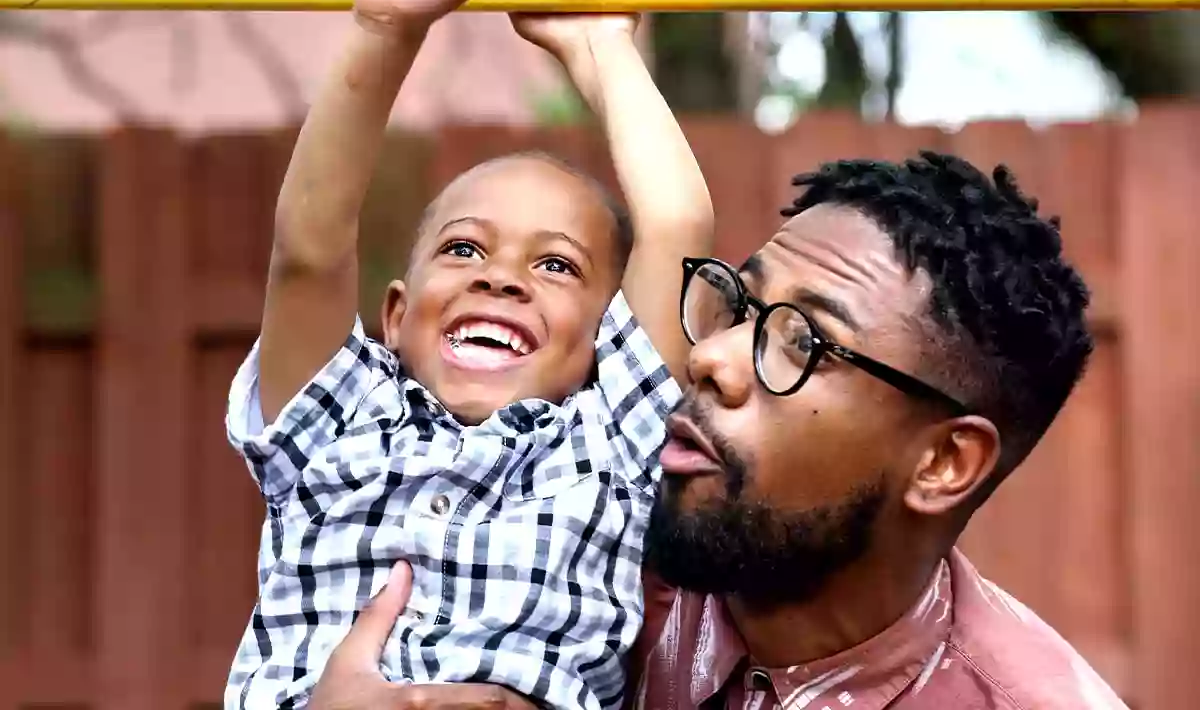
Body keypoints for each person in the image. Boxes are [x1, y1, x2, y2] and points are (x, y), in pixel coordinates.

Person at [305, 152, 1129, 710]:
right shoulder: (579, 539)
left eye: (801, 342)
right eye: (737, 306)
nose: (716, 358)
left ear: (945, 463)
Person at [223, 0, 712, 710]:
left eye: (555, 265)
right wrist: (386, 29)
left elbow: (678, 224)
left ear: (604, 342)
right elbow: (309, 250)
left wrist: (601, 49)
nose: (501, 278)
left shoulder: (611, 445)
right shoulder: (341, 427)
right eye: (463, 248)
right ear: (395, 314)